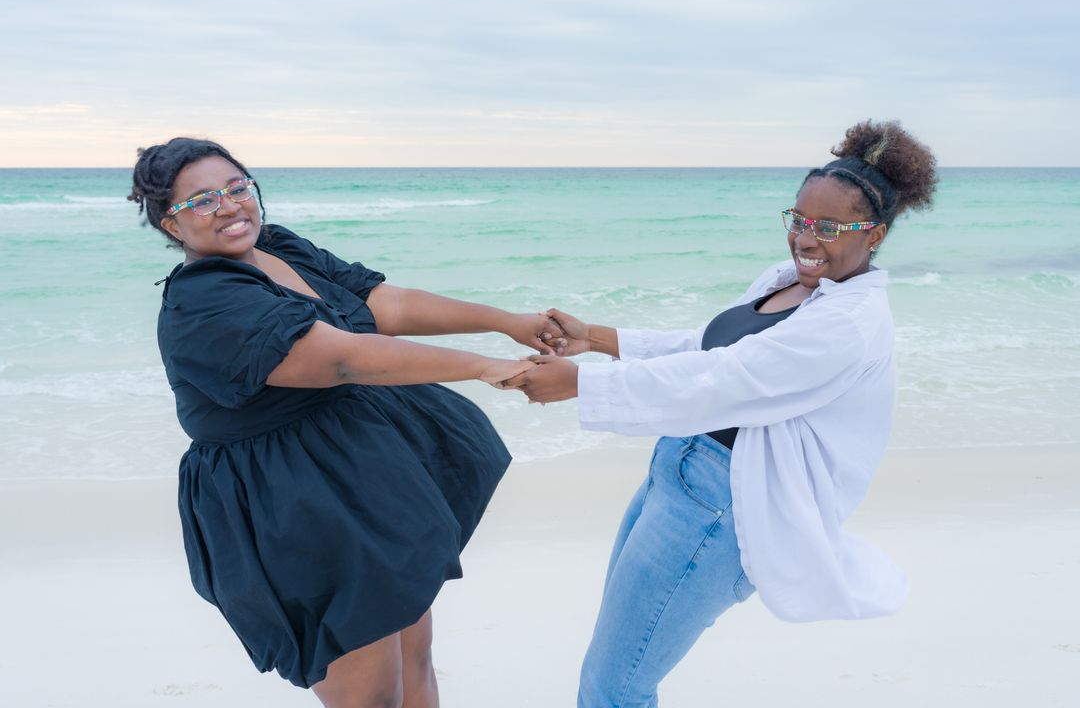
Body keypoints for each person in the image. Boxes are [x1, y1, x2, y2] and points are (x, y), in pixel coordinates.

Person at [506, 119, 938, 707]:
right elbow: (708, 347)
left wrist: (580, 384)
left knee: (614, 688)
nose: (806, 239)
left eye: (830, 227)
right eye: (799, 220)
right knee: (611, 674)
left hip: (723, 506)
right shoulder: (790, 281)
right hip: (677, 470)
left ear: (876, 235)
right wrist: (598, 339)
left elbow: (722, 380)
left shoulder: (849, 324)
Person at [128, 137, 563, 708]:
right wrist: (482, 366)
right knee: (370, 695)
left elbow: (385, 305)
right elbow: (341, 358)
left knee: (415, 656)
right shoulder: (205, 300)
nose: (230, 206)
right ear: (171, 223)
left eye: (237, 188)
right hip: (290, 498)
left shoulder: (274, 247)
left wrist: (506, 321)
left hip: (359, 468)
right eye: (204, 200)